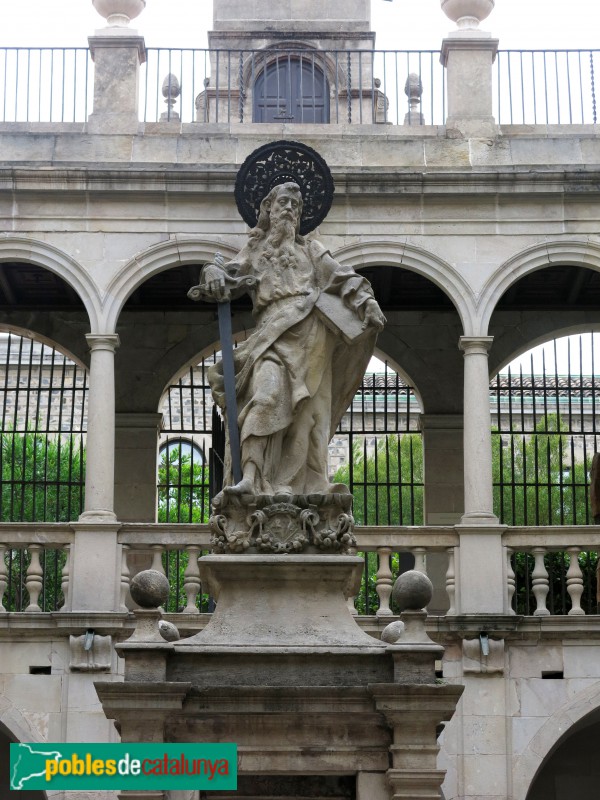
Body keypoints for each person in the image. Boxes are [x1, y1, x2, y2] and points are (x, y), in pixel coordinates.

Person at [203, 182, 386, 497]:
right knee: (265, 396)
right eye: (283, 202)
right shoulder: (256, 250)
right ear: (269, 210)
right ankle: (250, 476)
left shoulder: (312, 250)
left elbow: (343, 277)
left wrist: (366, 302)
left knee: (305, 416)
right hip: (270, 334)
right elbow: (224, 274)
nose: (288, 209)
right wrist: (212, 273)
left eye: (295, 205)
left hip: (311, 335)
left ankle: (289, 485)